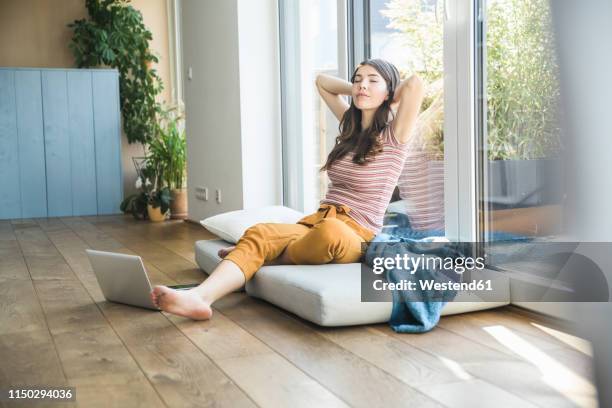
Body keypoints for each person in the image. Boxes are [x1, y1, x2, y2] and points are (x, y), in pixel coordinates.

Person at [151, 59, 426, 320]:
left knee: (331, 232)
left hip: (356, 233)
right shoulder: (351, 127)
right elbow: (322, 82)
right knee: (260, 232)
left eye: (372, 80)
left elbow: (414, 84)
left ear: (389, 90)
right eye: (358, 80)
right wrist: (358, 88)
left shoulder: (394, 136)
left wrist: (387, 92)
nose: (362, 85)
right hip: (314, 223)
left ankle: (264, 258)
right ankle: (199, 297)